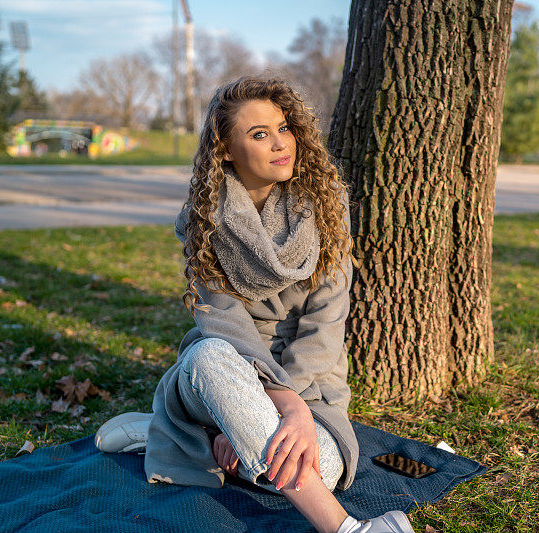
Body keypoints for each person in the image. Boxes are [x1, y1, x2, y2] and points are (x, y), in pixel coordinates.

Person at [94, 75, 414, 533]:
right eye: (259, 134)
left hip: (313, 384)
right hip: (228, 368)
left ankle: (192, 439)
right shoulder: (204, 218)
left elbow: (325, 325)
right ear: (225, 148)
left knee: (321, 467)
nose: (280, 144)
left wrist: (295, 407)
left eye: (284, 128)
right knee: (208, 354)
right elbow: (224, 326)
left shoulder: (325, 204)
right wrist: (284, 406)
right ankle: (347, 529)